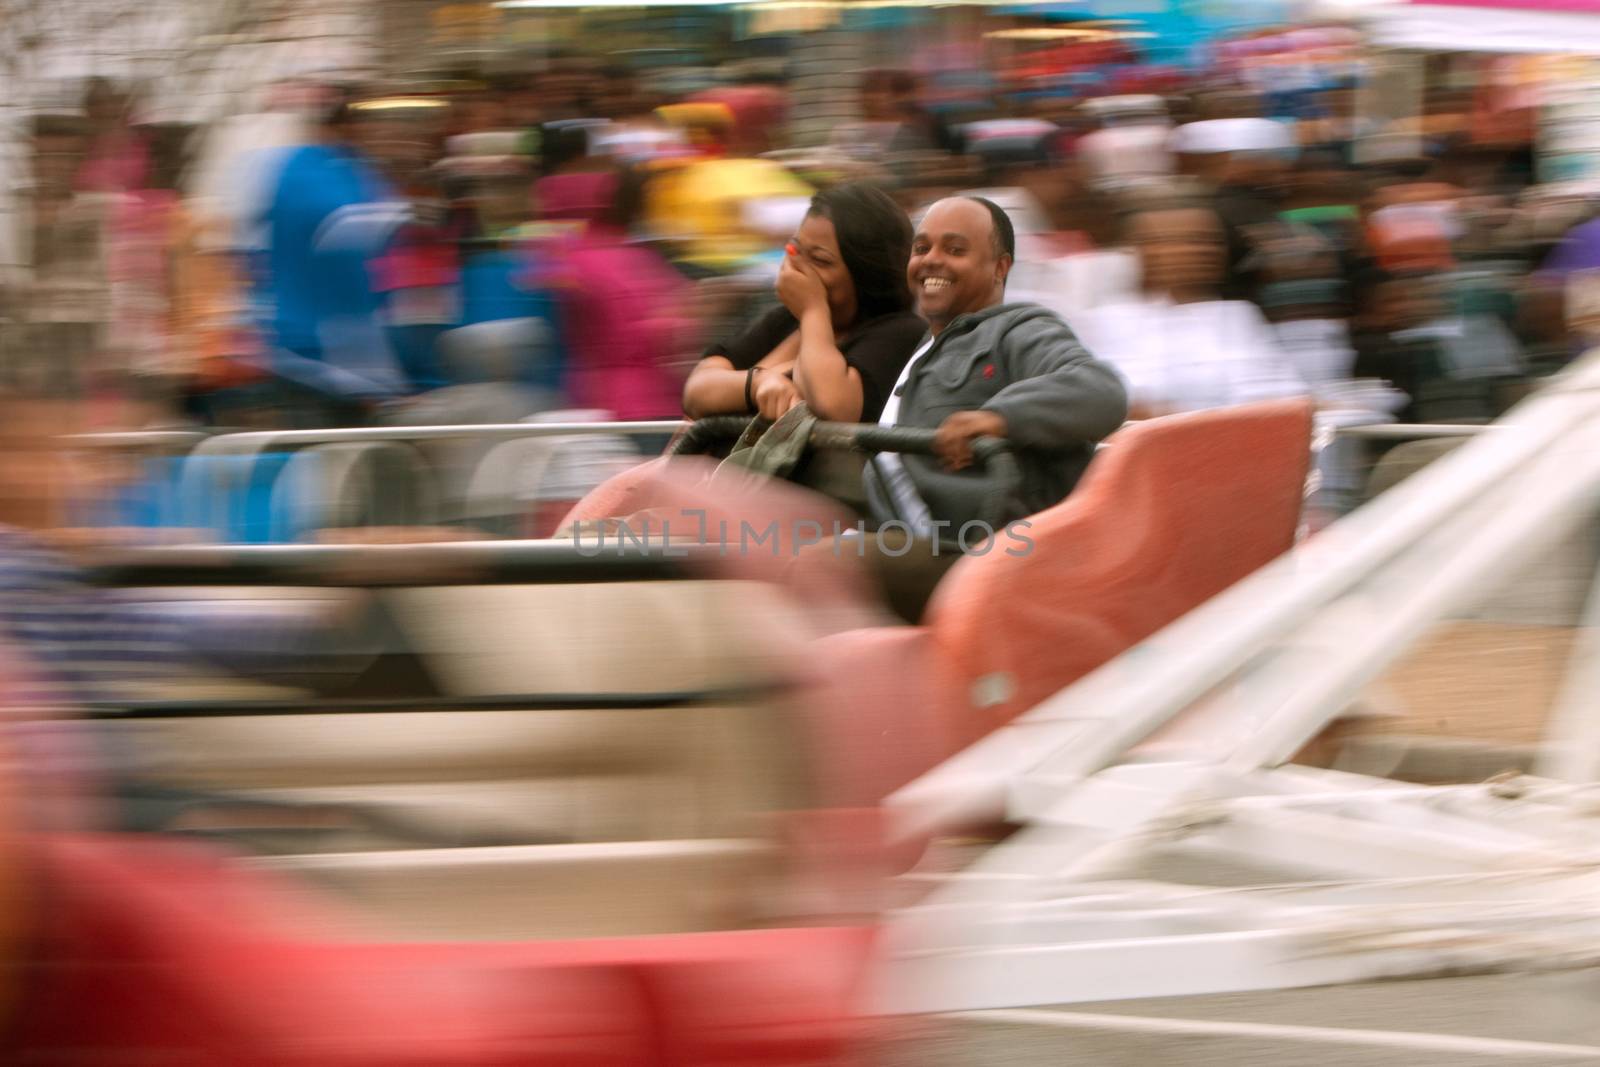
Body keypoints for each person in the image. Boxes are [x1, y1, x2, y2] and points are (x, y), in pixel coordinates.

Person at [867, 195, 1128, 538]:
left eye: (955, 250)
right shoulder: (918, 346)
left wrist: (997, 419)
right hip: (889, 525)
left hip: (966, 549)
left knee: (814, 562)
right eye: (921, 248)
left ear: (1000, 268)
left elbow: (1101, 390)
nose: (931, 260)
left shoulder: (1017, 329)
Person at [682, 182, 926, 424]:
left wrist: (813, 311)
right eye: (795, 251)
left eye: (820, 261)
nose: (798, 270)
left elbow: (833, 404)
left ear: (867, 273)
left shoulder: (901, 332)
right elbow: (697, 390)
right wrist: (759, 383)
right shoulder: (785, 320)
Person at [1069, 202, 1308, 419]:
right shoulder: (1109, 321)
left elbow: (1287, 397)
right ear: (1138, 250)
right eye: (1175, 240)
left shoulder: (1238, 316)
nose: (1197, 250)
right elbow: (1115, 404)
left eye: (1206, 240)